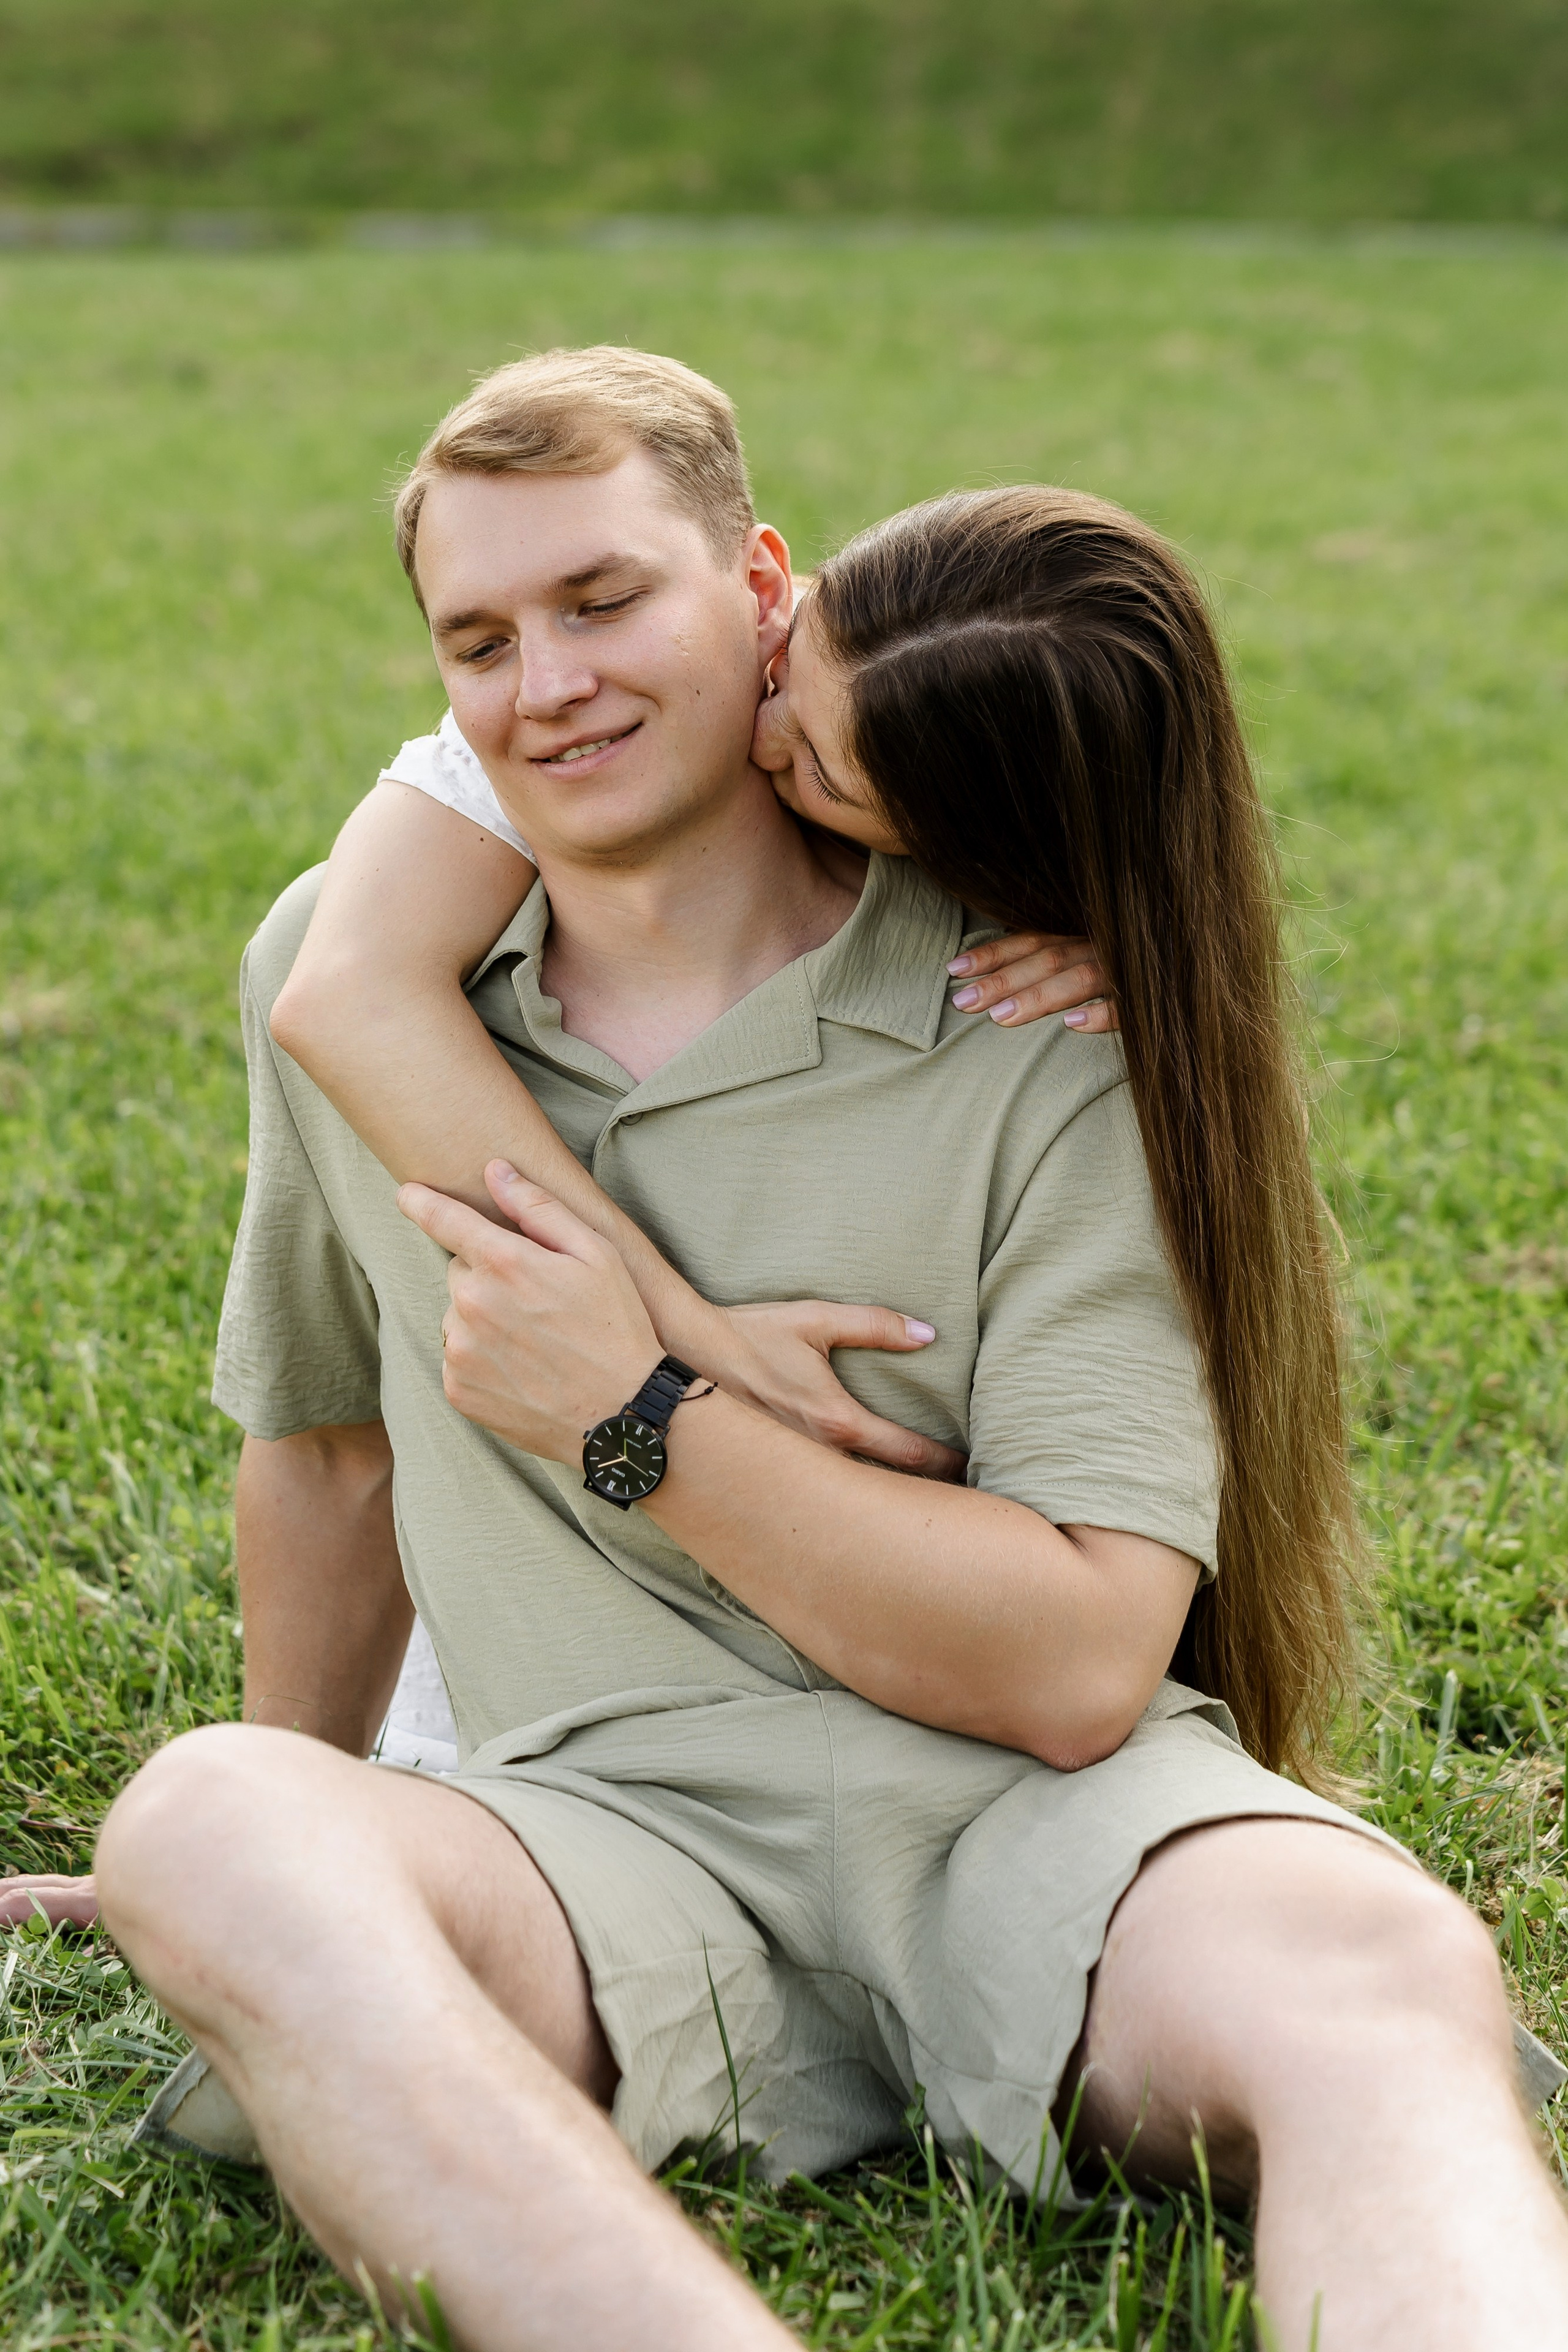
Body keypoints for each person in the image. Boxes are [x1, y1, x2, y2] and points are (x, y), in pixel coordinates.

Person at [10, 347, 1567, 2352]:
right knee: (208, 1819)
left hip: (1034, 1823)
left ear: (766, 593)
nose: (544, 682)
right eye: (476, 638)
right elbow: (331, 1455)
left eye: (601, 601)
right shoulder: (347, 972)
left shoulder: (1045, 1000)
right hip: (594, 1834)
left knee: (1372, 1956)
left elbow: (1086, 1667)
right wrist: (298, 1893)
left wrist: (636, 1412)